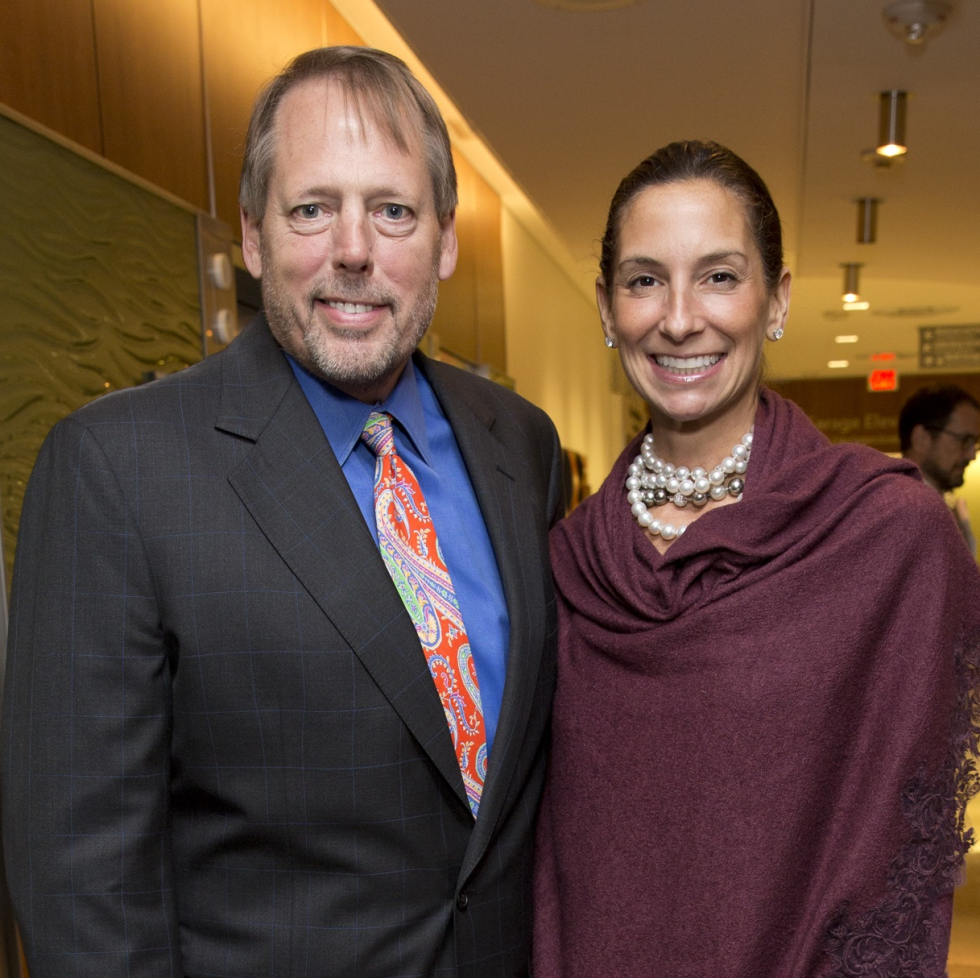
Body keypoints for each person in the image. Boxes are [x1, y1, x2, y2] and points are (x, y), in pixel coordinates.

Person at [2, 46, 563, 977]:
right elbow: (83, 886)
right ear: (254, 237)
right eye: (313, 209)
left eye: (393, 210)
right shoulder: (118, 469)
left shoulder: (521, 446)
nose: (354, 249)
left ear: (447, 241)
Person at [533, 141, 980, 977]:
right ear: (605, 308)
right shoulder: (566, 562)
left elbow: (901, 856)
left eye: (718, 276)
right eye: (643, 280)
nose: (677, 317)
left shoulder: (885, 536)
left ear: (776, 300)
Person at [900, 384, 980, 555]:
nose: (972, 455)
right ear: (921, 438)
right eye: (964, 440)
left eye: (974, 443)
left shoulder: (943, 506)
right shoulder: (903, 511)